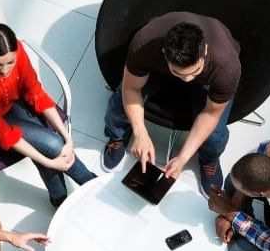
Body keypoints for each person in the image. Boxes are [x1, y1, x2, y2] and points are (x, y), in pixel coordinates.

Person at [0, 23, 96, 208]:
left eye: (10, 62)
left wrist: (68, 138)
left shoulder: (17, 50)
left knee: (54, 142)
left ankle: (60, 198)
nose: (5, 70)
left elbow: (37, 94)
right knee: (52, 144)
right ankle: (90, 183)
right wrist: (50, 163)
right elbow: (4, 134)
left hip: (9, 102)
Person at [101, 12, 241, 194]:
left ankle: (209, 160)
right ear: (163, 54)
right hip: (159, 71)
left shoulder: (226, 67)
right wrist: (140, 132)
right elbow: (131, 89)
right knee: (120, 103)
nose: (188, 80)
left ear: (205, 50)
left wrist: (183, 158)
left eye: (195, 71)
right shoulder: (143, 44)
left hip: (208, 81)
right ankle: (117, 137)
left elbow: (211, 113)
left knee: (215, 135)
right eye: (180, 74)